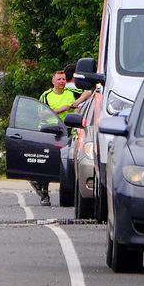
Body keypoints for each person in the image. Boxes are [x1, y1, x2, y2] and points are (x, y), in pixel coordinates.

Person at [30, 66, 92, 206]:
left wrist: (77, 102)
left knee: (66, 163)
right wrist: (61, 109)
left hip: (69, 131)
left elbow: (88, 92)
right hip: (50, 132)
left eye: (63, 79)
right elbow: (42, 114)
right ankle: (44, 194)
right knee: (47, 162)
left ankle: (70, 193)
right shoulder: (46, 96)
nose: (62, 81)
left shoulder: (71, 91)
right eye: (59, 79)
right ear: (53, 81)